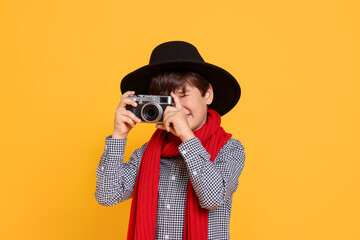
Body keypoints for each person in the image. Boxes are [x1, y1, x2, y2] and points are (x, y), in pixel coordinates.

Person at [95, 41, 246, 240]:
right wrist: (119, 136)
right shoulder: (146, 153)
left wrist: (186, 137)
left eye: (183, 95)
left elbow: (212, 197)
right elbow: (107, 196)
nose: (176, 107)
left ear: (207, 94)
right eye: (164, 100)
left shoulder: (230, 148)